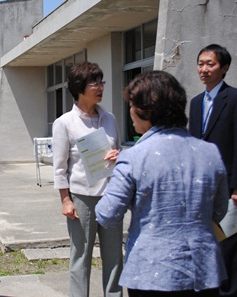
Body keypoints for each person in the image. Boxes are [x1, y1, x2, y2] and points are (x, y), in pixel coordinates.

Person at [96, 70, 229, 297]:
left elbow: (107, 214)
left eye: (131, 106)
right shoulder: (210, 152)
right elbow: (219, 210)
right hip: (203, 271)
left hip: (151, 271)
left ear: (144, 111)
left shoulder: (133, 157)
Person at [52, 61, 123, 297]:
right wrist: (66, 200)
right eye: (95, 82)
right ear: (79, 87)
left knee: (114, 256)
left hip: (111, 196)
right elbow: (60, 168)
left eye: (101, 81)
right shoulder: (64, 123)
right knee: (80, 256)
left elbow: (118, 151)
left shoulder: (110, 118)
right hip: (82, 198)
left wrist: (118, 156)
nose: (101, 87)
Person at [188, 44, 237, 219]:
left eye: (210, 64)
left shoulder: (233, 98)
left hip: (227, 182)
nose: (204, 69)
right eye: (200, 64)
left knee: (227, 239)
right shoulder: (196, 102)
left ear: (224, 68)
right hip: (201, 180)